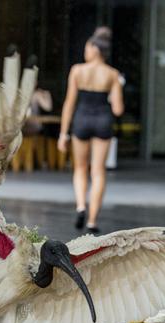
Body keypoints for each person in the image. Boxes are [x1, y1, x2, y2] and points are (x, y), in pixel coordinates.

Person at [58, 26, 124, 234]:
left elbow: (69, 103)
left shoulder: (77, 70)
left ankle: (80, 206)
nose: (85, 51)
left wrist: (63, 133)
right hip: (103, 120)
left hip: (82, 119)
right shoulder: (112, 74)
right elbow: (118, 109)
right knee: (98, 172)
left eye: (87, 47)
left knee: (80, 168)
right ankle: (93, 220)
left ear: (95, 48)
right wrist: (117, 89)